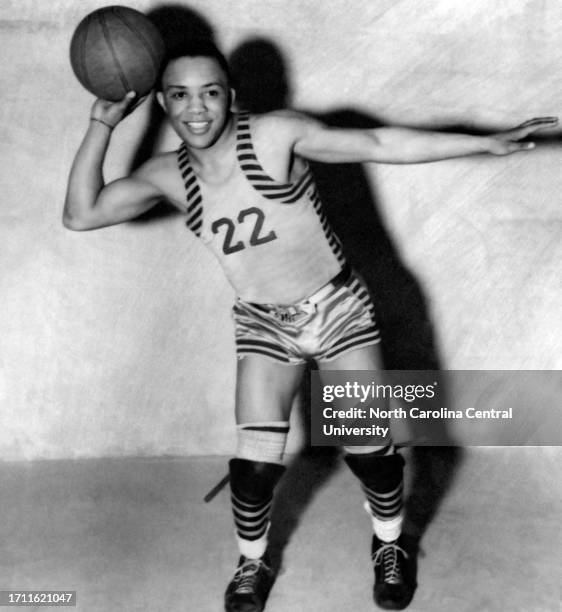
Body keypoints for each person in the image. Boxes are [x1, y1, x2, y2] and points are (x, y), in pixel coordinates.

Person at [63, 39, 556, 611]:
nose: (196, 109)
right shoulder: (166, 175)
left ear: (231, 97)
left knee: (371, 452)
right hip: (264, 325)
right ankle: (252, 563)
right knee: (252, 469)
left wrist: (483, 143)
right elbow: (81, 214)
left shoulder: (275, 135)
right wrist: (101, 125)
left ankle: (390, 545)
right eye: (179, 95)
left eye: (210, 93)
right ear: (162, 105)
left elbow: (377, 142)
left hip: (338, 309)